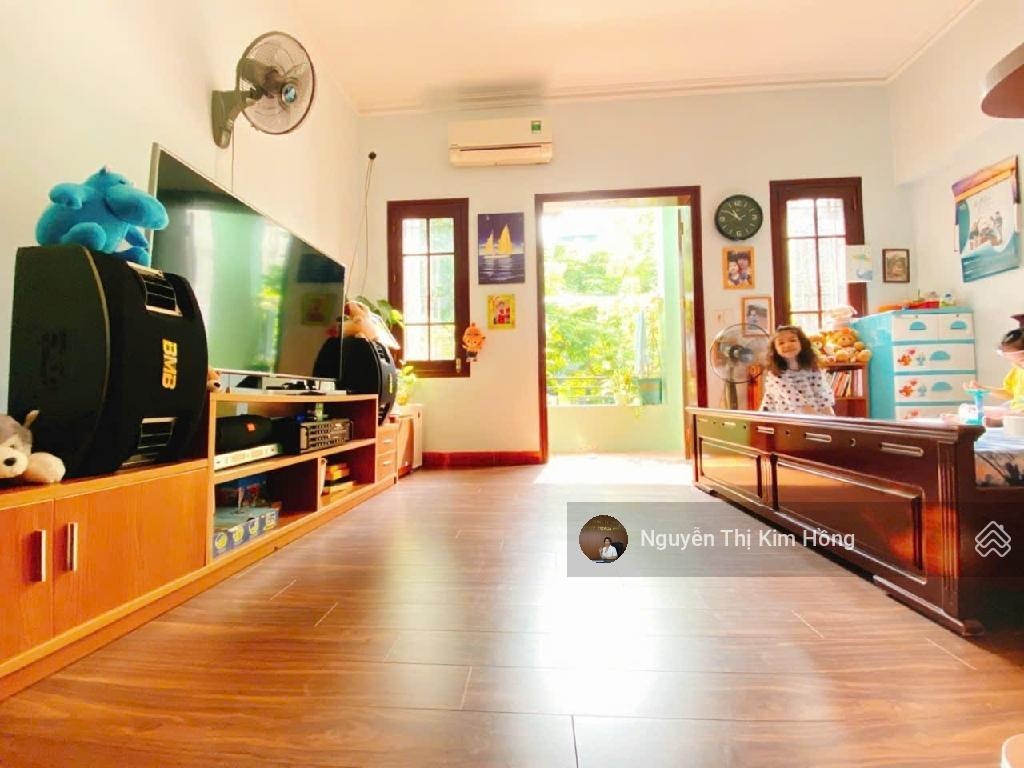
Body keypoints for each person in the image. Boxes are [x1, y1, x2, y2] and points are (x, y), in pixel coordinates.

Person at [759, 325, 835, 415]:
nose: (787, 345)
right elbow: (795, 400)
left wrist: (831, 418)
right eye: (781, 343)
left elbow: (821, 394)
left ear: (801, 343)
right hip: (781, 417)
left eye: (792, 340)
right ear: (775, 350)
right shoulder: (775, 374)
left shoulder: (812, 369)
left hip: (810, 415)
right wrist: (817, 420)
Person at [966, 327, 1024, 413]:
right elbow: (1010, 393)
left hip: (1018, 415)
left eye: (1021, 361)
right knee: (971, 411)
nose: (1016, 365)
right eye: (1012, 361)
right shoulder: (1016, 371)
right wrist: (984, 389)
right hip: (1015, 414)